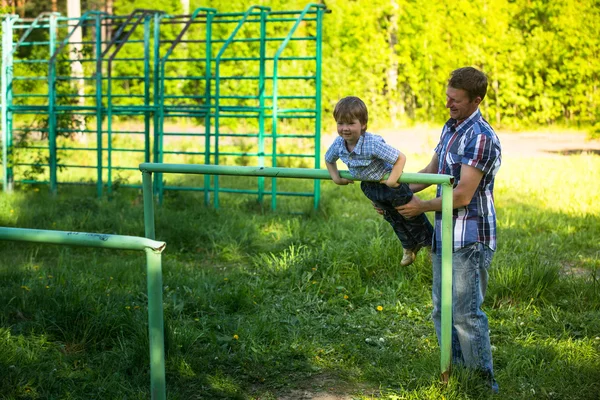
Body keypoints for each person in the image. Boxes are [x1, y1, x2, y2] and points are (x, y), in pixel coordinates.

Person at [395, 67, 502, 392]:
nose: (448, 104)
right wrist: (396, 195)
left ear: (476, 100)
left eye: (455, 100)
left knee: (466, 315)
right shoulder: (451, 128)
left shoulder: (481, 137)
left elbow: (462, 195)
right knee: (442, 311)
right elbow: (432, 171)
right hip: (445, 234)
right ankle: (455, 376)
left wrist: (420, 207)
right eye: (447, 97)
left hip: (470, 238)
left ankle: (483, 385)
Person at [325, 96, 433, 267]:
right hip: (370, 187)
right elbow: (329, 159)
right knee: (392, 217)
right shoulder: (339, 144)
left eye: (351, 123)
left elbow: (400, 158)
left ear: (363, 125)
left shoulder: (372, 144)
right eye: (340, 123)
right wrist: (336, 178)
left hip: (390, 185)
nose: (345, 129)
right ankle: (409, 246)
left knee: (409, 213)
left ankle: (430, 246)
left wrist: (392, 181)